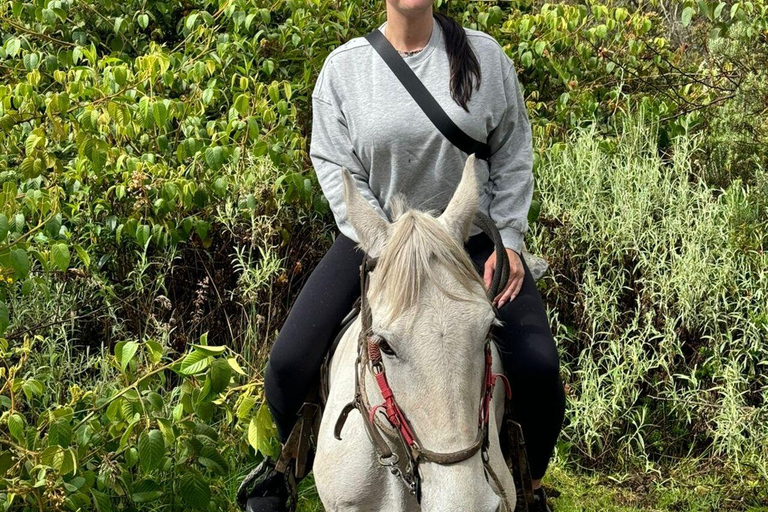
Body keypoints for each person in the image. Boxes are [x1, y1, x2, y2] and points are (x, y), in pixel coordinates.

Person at [240, 2, 566, 511]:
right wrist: (383, 239)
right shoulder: (344, 69)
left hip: (468, 241)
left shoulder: (484, 58)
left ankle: (527, 485)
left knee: (540, 368)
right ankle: (281, 472)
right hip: (376, 242)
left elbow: (512, 151)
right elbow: (332, 162)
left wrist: (511, 239)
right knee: (286, 363)